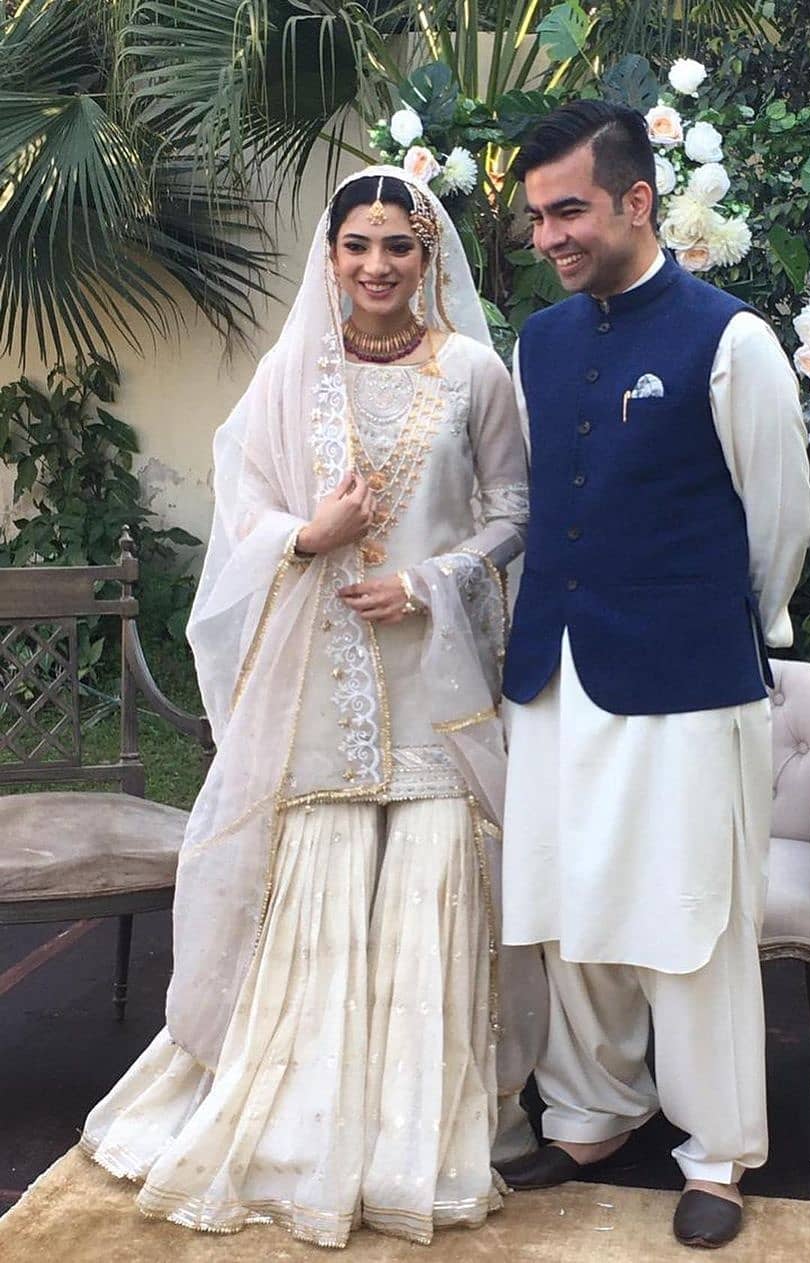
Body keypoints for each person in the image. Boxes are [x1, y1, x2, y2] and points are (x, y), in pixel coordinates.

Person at [80, 167, 546, 1248]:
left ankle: (416, 1136)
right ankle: (301, 1133)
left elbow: (514, 511)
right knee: (320, 878)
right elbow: (241, 499)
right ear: (329, 258)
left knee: (435, 877)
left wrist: (430, 581)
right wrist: (308, 536)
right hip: (319, 682)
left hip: (435, 677)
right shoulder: (294, 374)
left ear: (430, 259)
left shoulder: (475, 373)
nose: (379, 266)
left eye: (400, 246)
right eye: (358, 247)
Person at [496, 102, 810, 1249]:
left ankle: (718, 1151)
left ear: (638, 201)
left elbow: (779, 523)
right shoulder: (538, 341)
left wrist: (730, 627)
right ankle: (591, 1109)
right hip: (553, 673)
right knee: (565, 902)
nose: (549, 237)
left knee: (691, 919)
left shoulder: (732, 341)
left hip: (688, 676)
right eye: (537, 217)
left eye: (568, 209)